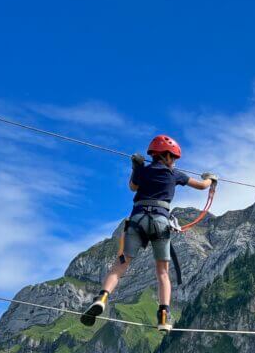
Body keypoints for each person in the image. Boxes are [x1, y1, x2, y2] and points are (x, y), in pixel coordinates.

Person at [81, 135, 217, 331]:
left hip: (137, 220)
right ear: (167, 156)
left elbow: (132, 187)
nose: (175, 162)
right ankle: (163, 316)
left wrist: (136, 169)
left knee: (120, 266)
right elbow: (202, 186)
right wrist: (210, 178)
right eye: (174, 158)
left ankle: (102, 297)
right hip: (161, 221)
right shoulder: (175, 174)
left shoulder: (143, 171)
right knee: (162, 272)